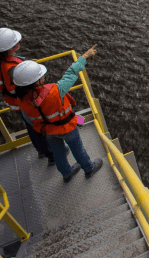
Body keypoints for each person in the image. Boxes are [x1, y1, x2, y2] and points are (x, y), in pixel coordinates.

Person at [12, 45, 103, 183]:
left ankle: (67, 174)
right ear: (37, 81)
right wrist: (84, 56)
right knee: (78, 150)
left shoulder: (22, 100)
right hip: (67, 128)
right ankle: (89, 168)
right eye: (41, 75)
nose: (43, 76)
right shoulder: (55, 90)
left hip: (49, 131)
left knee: (59, 154)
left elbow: (31, 120)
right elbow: (71, 73)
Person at [0, 27, 56, 164]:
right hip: (25, 103)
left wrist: (25, 64)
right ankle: (50, 154)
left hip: (15, 103)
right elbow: (22, 85)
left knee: (31, 128)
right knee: (39, 128)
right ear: (12, 47)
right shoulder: (11, 68)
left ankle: (41, 151)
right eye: (16, 41)